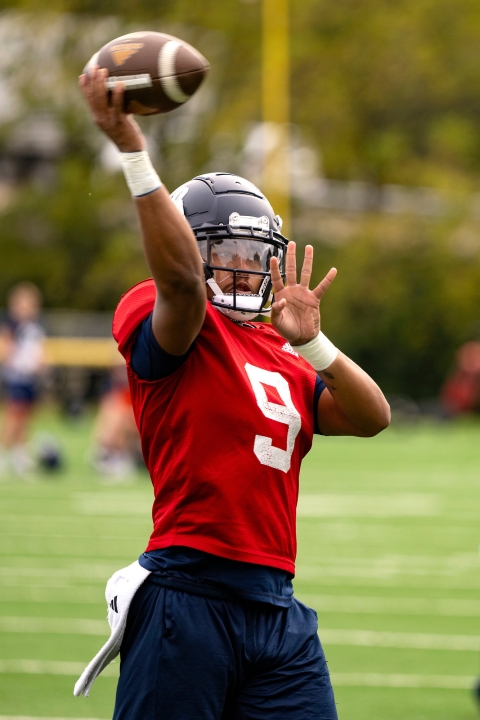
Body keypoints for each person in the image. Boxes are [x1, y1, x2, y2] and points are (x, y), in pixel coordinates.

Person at [77, 67, 390, 720]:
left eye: (257, 256)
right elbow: (185, 286)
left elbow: (372, 417)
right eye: (231, 253)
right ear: (191, 248)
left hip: (278, 607)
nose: (247, 271)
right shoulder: (173, 314)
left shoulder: (285, 353)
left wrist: (314, 345)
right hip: (188, 594)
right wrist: (134, 152)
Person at [0, 282, 45, 477]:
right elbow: (5, 348)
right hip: (16, 376)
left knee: (26, 416)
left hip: (30, 377)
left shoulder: (35, 327)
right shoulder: (11, 326)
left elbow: (39, 350)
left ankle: (20, 454)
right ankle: (3, 452)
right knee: (14, 415)